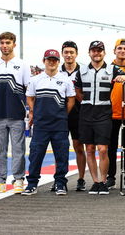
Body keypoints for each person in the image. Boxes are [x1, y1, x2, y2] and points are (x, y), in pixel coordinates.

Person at [21, 49, 75, 195]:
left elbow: (71, 99)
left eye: (54, 60)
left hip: (60, 124)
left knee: (62, 155)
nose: (51, 62)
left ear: (58, 62)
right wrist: (35, 111)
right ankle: (32, 184)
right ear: (44, 61)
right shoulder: (35, 80)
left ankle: (60, 183)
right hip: (41, 125)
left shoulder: (66, 79)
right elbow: (30, 97)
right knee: (36, 155)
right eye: (49, 59)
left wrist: (63, 114)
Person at [74, 41, 125, 195]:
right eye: (94, 51)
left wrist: (124, 78)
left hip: (104, 112)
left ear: (104, 53)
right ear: (89, 52)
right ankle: (95, 182)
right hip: (86, 112)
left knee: (103, 149)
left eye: (100, 51)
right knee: (89, 149)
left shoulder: (112, 69)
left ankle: (103, 181)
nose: (97, 53)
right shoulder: (81, 70)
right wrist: (85, 101)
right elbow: (77, 90)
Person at [0, 32, 30, 194]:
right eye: (2, 43)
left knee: (18, 149)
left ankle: (18, 180)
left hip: (17, 114)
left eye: (8, 43)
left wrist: (30, 112)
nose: (5, 45)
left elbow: (29, 91)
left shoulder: (23, 65)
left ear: (14, 45)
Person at [59, 41, 87, 192]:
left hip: (78, 114)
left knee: (78, 147)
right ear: (62, 54)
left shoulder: (83, 71)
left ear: (76, 54)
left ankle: (81, 179)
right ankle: (59, 179)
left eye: (71, 52)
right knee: (60, 147)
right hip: (60, 114)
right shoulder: (56, 71)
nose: (69, 55)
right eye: (66, 52)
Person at [107, 38, 125, 189]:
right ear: (114, 51)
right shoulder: (108, 68)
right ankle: (111, 176)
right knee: (111, 146)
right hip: (111, 112)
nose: (122, 51)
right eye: (119, 48)